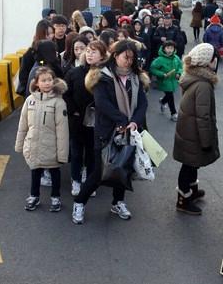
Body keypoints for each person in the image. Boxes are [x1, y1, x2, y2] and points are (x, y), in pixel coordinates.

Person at [72, 40, 149, 224]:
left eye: (132, 58)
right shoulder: (102, 76)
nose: (129, 61)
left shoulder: (136, 78)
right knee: (99, 172)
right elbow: (102, 103)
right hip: (106, 131)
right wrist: (122, 121)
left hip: (129, 131)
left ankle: (118, 202)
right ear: (115, 56)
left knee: (123, 168)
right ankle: (79, 202)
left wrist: (134, 122)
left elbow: (142, 103)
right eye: (125, 57)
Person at [173, 43, 220, 215]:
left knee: (192, 164)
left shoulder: (192, 76)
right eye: (215, 58)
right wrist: (207, 141)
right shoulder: (203, 85)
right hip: (195, 133)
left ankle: (191, 191)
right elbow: (203, 116)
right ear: (208, 61)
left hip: (188, 130)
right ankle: (183, 200)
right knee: (189, 165)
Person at [15, 67, 69, 212]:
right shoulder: (30, 101)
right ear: (36, 83)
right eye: (43, 80)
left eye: (49, 80)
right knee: (35, 171)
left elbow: (62, 131)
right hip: (33, 145)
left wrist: (62, 154)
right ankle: (34, 196)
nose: (47, 83)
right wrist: (19, 145)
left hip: (51, 146)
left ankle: (55, 197)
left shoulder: (58, 103)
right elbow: (23, 125)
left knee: (54, 172)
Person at [64, 40, 108, 196]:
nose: (89, 54)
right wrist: (73, 111)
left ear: (102, 56)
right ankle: (76, 180)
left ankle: (89, 181)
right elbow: (66, 94)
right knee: (76, 153)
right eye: (88, 51)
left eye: (94, 52)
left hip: (97, 121)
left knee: (92, 154)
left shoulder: (106, 74)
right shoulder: (74, 73)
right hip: (77, 120)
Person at [17, 20, 54, 97]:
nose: (50, 36)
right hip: (34, 95)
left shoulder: (53, 50)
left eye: (52, 33)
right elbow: (23, 77)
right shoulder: (30, 54)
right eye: (47, 34)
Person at [150, 40, 183, 121]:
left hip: (173, 81)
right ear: (164, 49)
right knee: (170, 96)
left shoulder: (176, 58)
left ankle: (163, 101)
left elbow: (180, 66)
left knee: (169, 95)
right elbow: (153, 68)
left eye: (171, 48)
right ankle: (173, 113)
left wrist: (178, 73)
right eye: (168, 48)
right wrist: (162, 74)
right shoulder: (159, 59)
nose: (170, 50)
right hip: (164, 81)